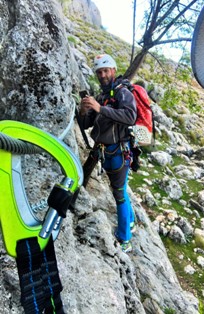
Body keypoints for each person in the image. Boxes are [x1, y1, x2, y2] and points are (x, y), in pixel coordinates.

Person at [79, 54, 137, 253]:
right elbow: (86, 124)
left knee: (119, 194)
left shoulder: (123, 93)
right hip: (104, 150)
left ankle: (125, 240)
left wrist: (100, 108)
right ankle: (130, 221)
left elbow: (130, 116)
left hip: (119, 152)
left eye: (105, 71)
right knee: (118, 188)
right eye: (99, 72)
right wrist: (84, 110)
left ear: (113, 70)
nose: (102, 75)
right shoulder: (103, 96)